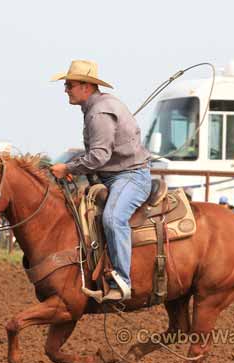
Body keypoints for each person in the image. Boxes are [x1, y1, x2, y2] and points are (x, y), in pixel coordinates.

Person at [49, 60, 151, 302]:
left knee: (113, 218)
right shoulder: (97, 108)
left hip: (130, 176)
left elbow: (99, 156)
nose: (66, 89)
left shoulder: (98, 112)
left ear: (86, 86)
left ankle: (123, 282)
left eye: (69, 85)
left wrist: (68, 168)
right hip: (114, 176)